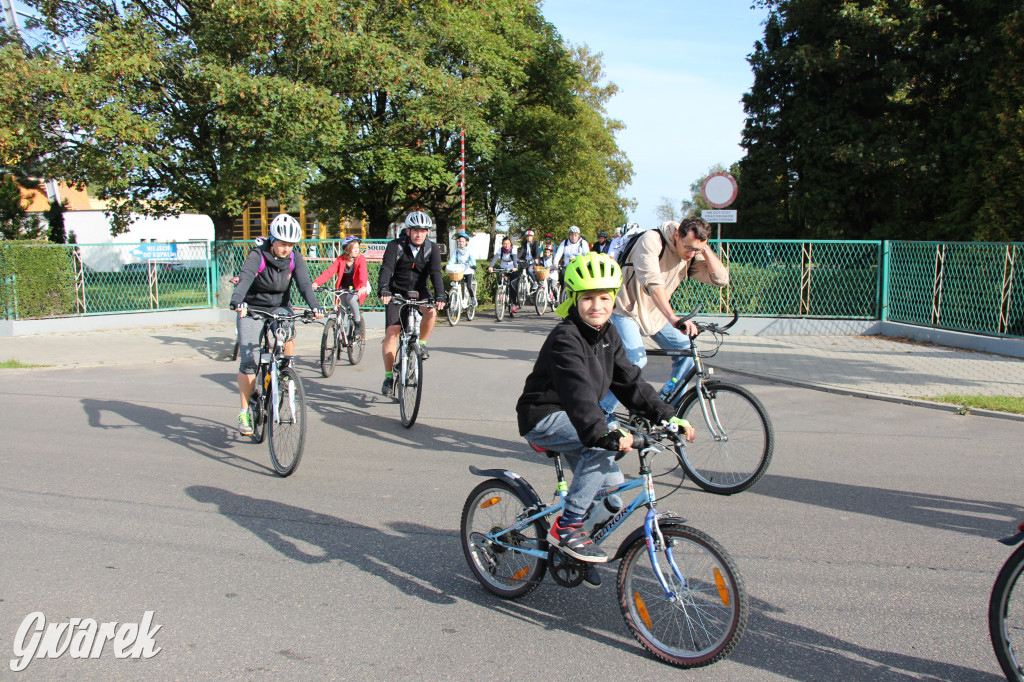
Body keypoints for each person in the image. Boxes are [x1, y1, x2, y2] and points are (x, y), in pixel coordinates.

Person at [516, 252, 694, 573]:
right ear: (573, 299)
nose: (596, 305)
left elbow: (632, 384)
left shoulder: (609, 334)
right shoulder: (565, 338)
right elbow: (578, 394)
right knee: (599, 445)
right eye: (587, 298)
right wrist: (604, 432)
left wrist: (667, 417)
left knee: (613, 496)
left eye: (603, 297)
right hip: (544, 416)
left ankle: (574, 556)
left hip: (581, 418)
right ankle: (567, 526)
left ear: (613, 298)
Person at [599, 217, 729, 421]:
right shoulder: (652, 240)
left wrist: (704, 249)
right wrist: (674, 318)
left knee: (687, 353)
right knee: (635, 360)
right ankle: (601, 412)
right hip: (626, 309)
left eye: (696, 250)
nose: (690, 254)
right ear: (677, 234)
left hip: (655, 314)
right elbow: (653, 283)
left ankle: (662, 404)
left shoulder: (691, 252)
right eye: (688, 247)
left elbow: (721, 279)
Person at [230, 214, 325, 435]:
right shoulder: (258, 255)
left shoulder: (294, 257)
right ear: (272, 239)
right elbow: (245, 278)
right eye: (282, 243)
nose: (286, 248)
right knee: (250, 361)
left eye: (291, 244)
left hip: (280, 307)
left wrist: (315, 306)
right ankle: (244, 411)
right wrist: (238, 300)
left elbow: (304, 284)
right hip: (252, 308)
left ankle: (285, 370)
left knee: (288, 333)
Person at [378, 211, 447, 395]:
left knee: (431, 312)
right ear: (408, 231)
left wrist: (440, 295)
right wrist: (383, 289)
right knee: (392, 333)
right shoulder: (395, 246)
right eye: (416, 230)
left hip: (420, 291)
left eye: (423, 230)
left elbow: (436, 274)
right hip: (397, 292)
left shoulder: (431, 249)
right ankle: (388, 377)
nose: (419, 234)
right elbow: (387, 268)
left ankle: (422, 343)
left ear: (427, 232)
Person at [312, 235, 370, 334]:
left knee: (350, 299)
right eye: (354, 248)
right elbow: (329, 272)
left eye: (358, 247)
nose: (357, 250)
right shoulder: (341, 260)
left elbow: (363, 273)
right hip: (344, 288)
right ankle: (339, 335)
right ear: (347, 249)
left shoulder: (361, 259)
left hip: (359, 287)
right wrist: (317, 282)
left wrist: (363, 286)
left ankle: (357, 323)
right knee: (340, 307)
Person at [488, 236, 520, 314]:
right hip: (503, 268)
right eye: (504, 244)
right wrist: (491, 266)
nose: (506, 245)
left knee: (512, 285)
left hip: (512, 268)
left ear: (510, 244)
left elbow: (515, 259)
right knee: (501, 280)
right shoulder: (500, 250)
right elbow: (495, 258)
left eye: (508, 243)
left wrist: (515, 267)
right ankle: (501, 293)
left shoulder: (513, 249)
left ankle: (514, 304)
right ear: (502, 244)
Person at [447, 231, 478, 305]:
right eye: (459, 241)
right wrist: (448, 265)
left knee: (468, 286)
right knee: (455, 284)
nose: (461, 243)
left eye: (463, 241)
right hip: (459, 271)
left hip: (468, 270)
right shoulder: (457, 251)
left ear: (466, 242)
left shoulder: (469, 250)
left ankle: (473, 298)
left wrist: (474, 265)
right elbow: (453, 259)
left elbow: (472, 259)